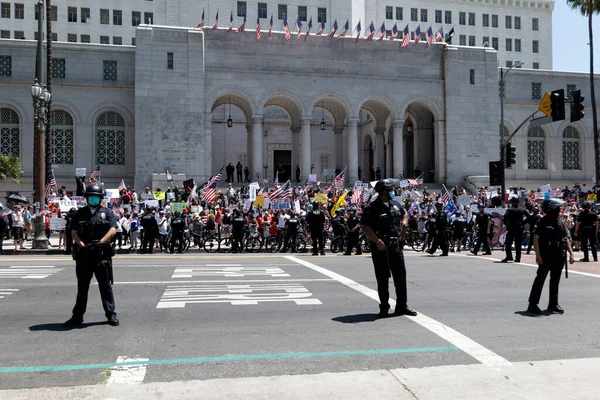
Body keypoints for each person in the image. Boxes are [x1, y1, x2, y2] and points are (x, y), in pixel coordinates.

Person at [360, 179, 417, 318]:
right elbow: (364, 225)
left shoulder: (396, 204)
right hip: (381, 247)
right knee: (383, 278)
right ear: (383, 192)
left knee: (400, 277)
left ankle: (402, 306)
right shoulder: (372, 207)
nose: (393, 192)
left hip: (396, 247)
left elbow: (405, 213)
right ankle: (384, 307)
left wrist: (404, 223)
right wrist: (376, 240)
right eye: (391, 190)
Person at [65, 184, 119, 327]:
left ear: (100, 198)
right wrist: (82, 245)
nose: (93, 199)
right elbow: (74, 232)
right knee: (82, 287)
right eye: (90, 197)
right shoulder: (80, 213)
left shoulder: (107, 212)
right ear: (86, 198)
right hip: (84, 255)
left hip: (101, 254)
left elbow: (113, 230)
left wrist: (101, 243)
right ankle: (77, 317)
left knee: (105, 286)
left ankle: (110, 314)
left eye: (96, 197)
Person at [527, 198, 575, 315]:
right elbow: (535, 238)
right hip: (546, 253)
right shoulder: (542, 221)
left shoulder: (560, 222)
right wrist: (538, 255)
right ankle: (532, 304)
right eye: (557, 208)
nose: (559, 210)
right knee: (540, 278)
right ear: (550, 209)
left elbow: (566, 238)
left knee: (555, 280)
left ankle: (553, 304)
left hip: (559, 253)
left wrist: (571, 253)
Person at [502, 197, 530, 263]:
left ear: (513, 202)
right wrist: (523, 222)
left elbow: (505, 218)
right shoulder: (522, 209)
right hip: (519, 227)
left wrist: (506, 224)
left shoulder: (509, 209)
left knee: (508, 243)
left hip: (511, 228)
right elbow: (529, 217)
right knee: (518, 244)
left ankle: (509, 256)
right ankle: (518, 258)